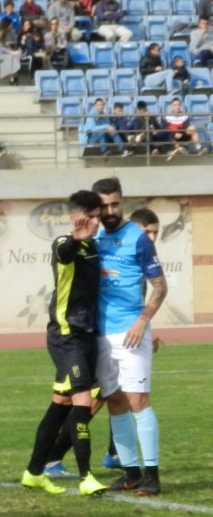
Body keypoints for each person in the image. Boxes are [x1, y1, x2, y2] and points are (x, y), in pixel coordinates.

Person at [20, 191, 109, 497]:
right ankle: (87, 476)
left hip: (87, 335)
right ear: (77, 217)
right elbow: (64, 252)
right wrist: (75, 238)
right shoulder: (63, 243)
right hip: (66, 335)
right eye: (92, 216)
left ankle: (34, 472)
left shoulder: (94, 247)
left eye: (98, 216)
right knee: (84, 398)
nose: (96, 222)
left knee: (61, 404)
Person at [90, 177, 167, 496]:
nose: (110, 211)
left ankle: (152, 474)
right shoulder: (92, 238)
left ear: (123, 202)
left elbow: (160, 286)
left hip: (132, 332)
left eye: (115, 204)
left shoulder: (138, 238)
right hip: (101, 334)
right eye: (104, 205)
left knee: (138, 401)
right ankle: (130, 472)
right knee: (115, 401)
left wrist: (142, 322)